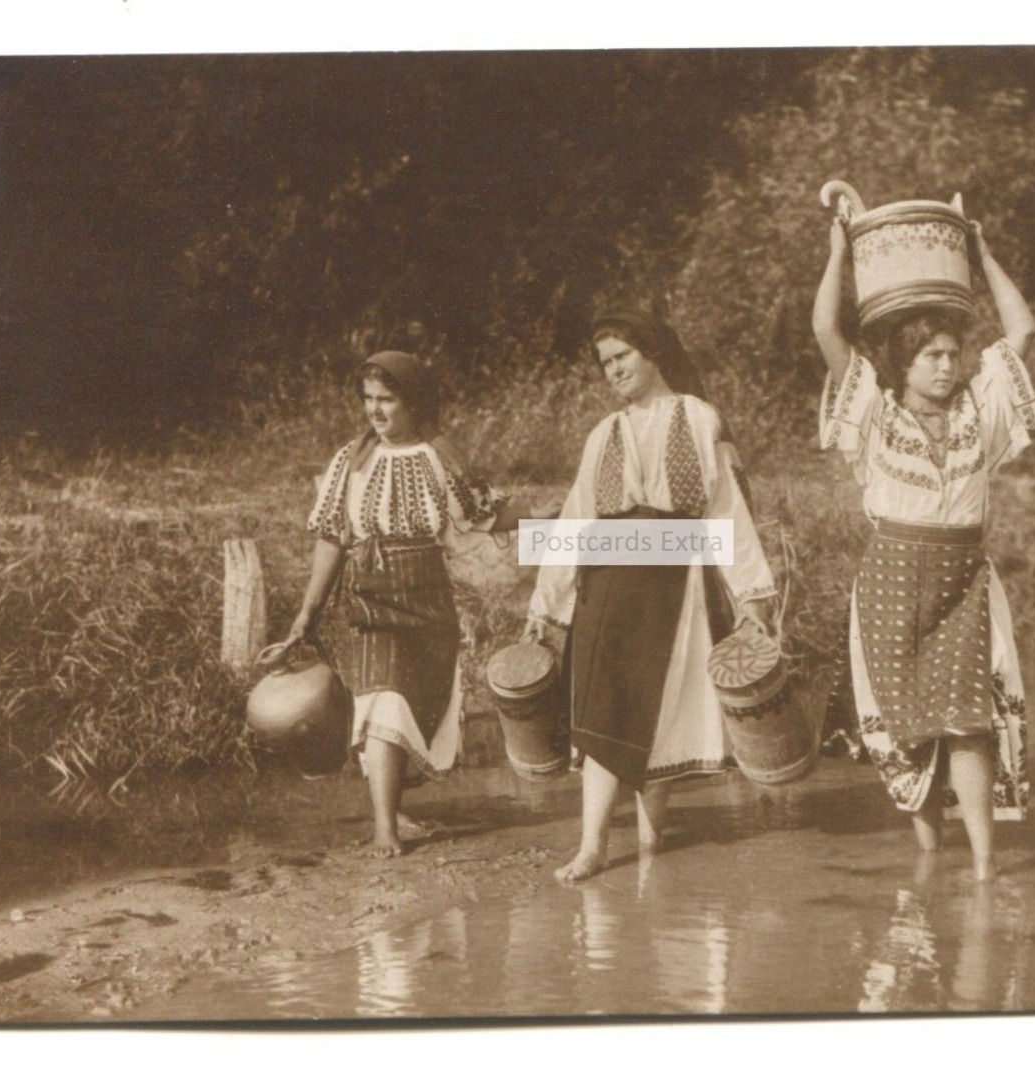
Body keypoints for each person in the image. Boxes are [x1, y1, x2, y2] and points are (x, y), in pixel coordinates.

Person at [812, 217, 1035, 881]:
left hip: (962, 575)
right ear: (903, 364)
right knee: (907, 728)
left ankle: (980, 866)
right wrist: (837, 253)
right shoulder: (877, 415)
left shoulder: (979, 410)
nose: (947, 367)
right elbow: (827, 330)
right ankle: (926, 861)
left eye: (951, 354)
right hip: (889, 577)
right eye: (931, 357)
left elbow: (1020, 332)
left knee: (968, 719)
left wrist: (983, 254)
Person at [525, 308, 778, 882]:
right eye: (605, 363)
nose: (614, 370)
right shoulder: (603, 434)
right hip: (609, 581)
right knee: (602, 709)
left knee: (659, 710)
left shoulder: (699, 418)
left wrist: (752, 598)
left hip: (674, 581)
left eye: (623, 357)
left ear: (653, 352)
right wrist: (545, 606)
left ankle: (649, 841)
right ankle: (592, 845)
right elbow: (574, 521)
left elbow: (728, 511)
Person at [281, 350, 521, 858]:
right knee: (381, 701)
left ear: (414, 403)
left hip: (428, 598)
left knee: (419, 704)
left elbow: (484, 514)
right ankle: (385, 828)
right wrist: (307, 615)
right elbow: (331, 537)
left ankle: (397, 808)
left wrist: (558, 520)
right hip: (370, 596)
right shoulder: (352, 459)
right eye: (368, 399)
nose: (375, 410)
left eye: (386, 399)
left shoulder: (441, 454)